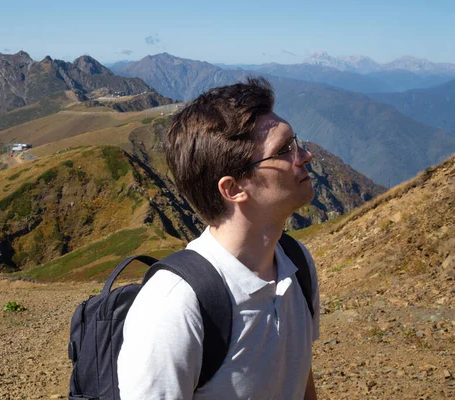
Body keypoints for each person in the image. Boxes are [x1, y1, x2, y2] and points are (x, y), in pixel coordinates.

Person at [117, 77, 320, 399]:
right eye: (284, 150)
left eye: (296, 142)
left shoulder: (296, 263)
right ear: (234, 189)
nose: (305, 155)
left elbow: (298, 376)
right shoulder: (174, 304)